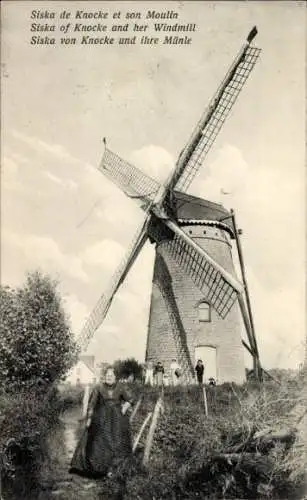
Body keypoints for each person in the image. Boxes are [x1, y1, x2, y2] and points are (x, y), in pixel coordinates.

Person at [69, 366, 134, 479]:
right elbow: (92, 404)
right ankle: (99, 470)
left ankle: (114, 470)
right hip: (101, 420)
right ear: (104, 377)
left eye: (111, 375)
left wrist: (124, 408)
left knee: (117, 444)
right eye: (107, 375)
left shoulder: (121, 387)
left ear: (115, 377)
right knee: (100, 445)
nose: (109, 377)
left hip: (117, 421)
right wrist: (89, 419)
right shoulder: (99, 388)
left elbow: (131, 399)